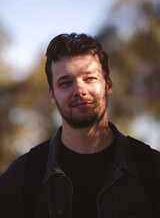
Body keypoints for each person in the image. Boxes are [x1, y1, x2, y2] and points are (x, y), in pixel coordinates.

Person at [0, 33, 160, 218]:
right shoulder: (22, 177)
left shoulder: (151, 169)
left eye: (89, 78)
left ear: (108, 85)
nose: (79, 91)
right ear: (52, 94)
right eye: (66, 83)